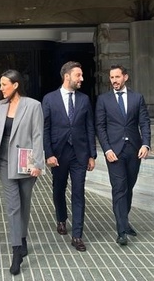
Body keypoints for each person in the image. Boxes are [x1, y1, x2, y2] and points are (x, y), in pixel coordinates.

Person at [0, 70, 45, 276]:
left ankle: (22, 238)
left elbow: (38, 135)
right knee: (13, 206)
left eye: (4, 84)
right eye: (0, 84)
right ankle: (16, 251)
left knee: (25, 204)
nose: (0, 88)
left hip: (26, 162)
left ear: (16, 85)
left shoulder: (33, 105)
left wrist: (38, 163)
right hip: (4, 162)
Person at [42, 61, 97, 252]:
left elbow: (90, 127)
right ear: (67, 77)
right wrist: (48, 154)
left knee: (78, 192)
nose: (82, 79)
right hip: (59, 153)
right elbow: (45, 128)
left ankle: (77, 235)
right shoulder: (49, 99)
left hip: (80, 154)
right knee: (58, 189)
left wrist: (92, 155)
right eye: (78, 75)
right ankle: (61, 219)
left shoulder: (84, 99)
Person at [95, 65, 151, 246]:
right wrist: (107, 149)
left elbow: (144, 122)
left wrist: (146, 144)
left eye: (117, 77)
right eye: (111, 77)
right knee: (119, 188)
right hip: (114, 152)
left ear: (125, 77)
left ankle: (124, 221)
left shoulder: (137, 98)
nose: (114, 81)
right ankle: (121, 231)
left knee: (129, 186)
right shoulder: (103, 100)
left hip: (134, 149)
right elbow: (100, 127)